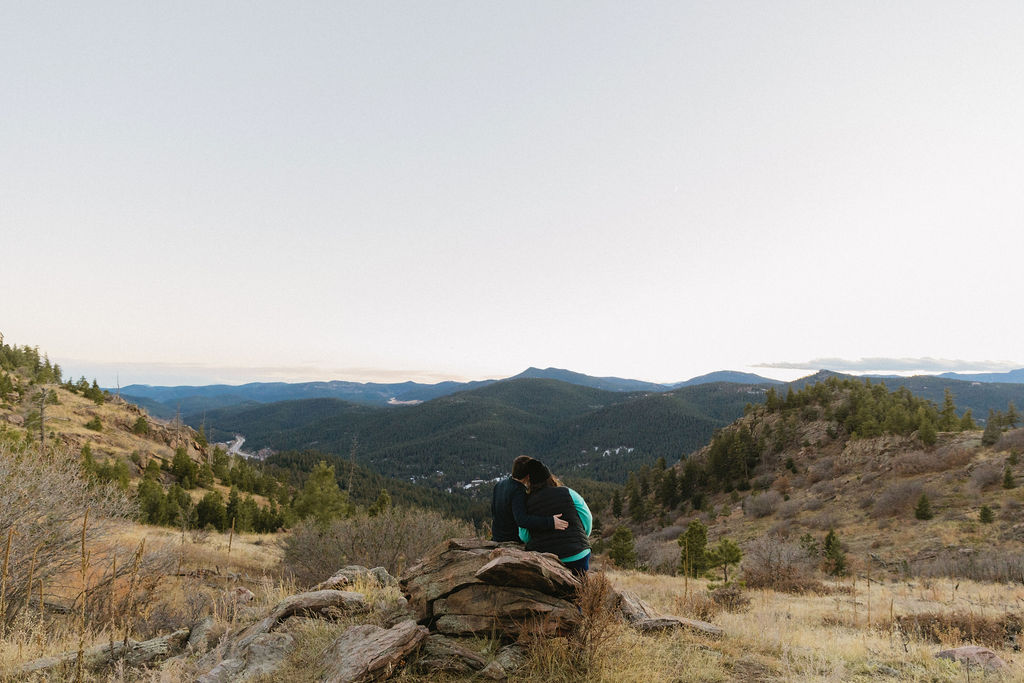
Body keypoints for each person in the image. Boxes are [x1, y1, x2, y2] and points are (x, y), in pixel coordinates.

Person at [518, 459, 592, 575]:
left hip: (546, 559)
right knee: (580, 587)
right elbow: (587, 518)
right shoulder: (568, 492)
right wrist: (581, 537)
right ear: (550, 478)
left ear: (530, 483)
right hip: (577, 554)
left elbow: (524, 535)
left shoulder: (526, 503)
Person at [491, 455, 569, 542]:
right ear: (528, 476)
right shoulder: (519, 491)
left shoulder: (499, 484)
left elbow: (494, 511)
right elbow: (522, 520)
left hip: (497, 536)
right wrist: (550, 522)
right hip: (510, 539)